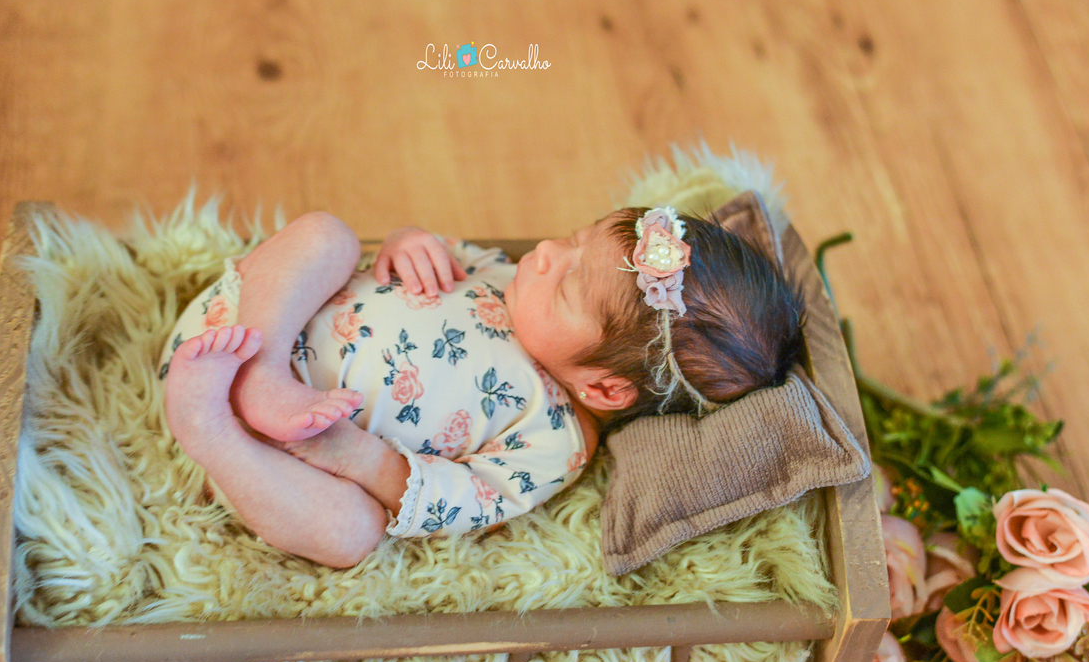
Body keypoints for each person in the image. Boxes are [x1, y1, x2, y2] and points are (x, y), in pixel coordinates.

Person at [160, 206, 806, 568]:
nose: (546, 251)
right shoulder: (508, 277)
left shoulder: (557, 441)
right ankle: (263, 371)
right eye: (575, 240)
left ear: (606, 390)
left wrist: (353, 457)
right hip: (247, 323)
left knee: (352, 533)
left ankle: (212, 433)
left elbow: (462, 499)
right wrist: (408, 243)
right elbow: (426, 255)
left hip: (281, 456)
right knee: (328, 236)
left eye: (568, 284)